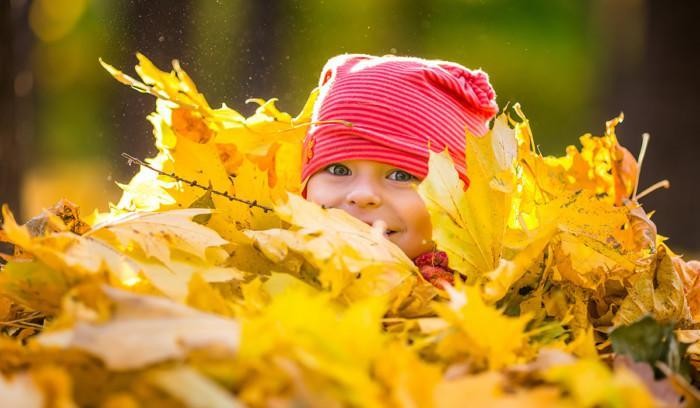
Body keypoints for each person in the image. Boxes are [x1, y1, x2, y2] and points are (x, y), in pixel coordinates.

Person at [301, 54, 499, 287]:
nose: (362, 195)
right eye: (338, 169)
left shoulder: (462, 301)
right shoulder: (268, 270)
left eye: (400, 175)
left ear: (462, 206)